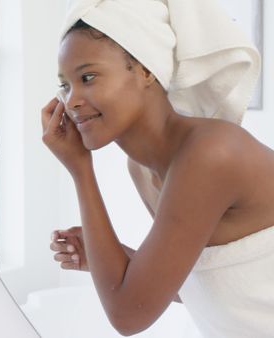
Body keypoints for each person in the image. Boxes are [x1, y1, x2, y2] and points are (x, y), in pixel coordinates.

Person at [44, 0, 273, 337]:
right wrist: (112, 258)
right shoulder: (141, 169)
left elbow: (128, 317)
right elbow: (197, 285)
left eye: (88, 77)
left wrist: (80, 170)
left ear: (146, 70)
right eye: (64, 85)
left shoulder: (212, 153)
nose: (72, 100)